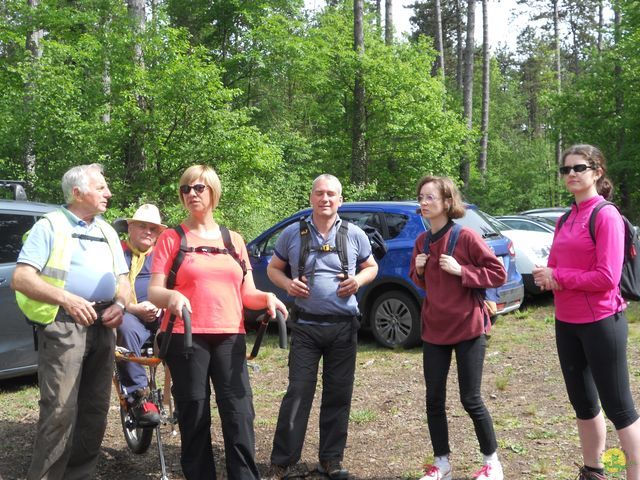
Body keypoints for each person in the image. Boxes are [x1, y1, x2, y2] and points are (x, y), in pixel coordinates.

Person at [148, 164, 288, 480]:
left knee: (239, 415)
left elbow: (247, 293)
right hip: (187, 337)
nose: (191, 194)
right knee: (195, 417)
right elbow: (154, 290)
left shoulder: (233, 240)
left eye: (199, 188)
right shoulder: (172, 238)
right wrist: (171, 298)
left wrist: (267, 299)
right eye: (185, 189)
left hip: (230, 336)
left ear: (213, 192)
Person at [11, 164, 130, 480]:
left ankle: (81, 475)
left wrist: (121, 303)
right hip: (65, 324)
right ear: (77, 192)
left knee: (94, 409)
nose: (109, 193)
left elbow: (124, 280)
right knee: (60, 411)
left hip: (104, 324)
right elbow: (21, 278)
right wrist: (66, 298)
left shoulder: (106, 230)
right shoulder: (50, 226)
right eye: (101, 187)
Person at [532, 144, 640, 480]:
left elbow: (607, 277)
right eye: (566, 170)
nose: (572, 175)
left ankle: (631, 474)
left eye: (579, 168)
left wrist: (558, 278)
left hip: (602, 322)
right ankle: (595, 471)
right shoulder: (566, 217)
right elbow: (555, 263)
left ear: (597, 172)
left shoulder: (605, 215)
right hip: (567, 323)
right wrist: (546, 275)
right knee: (584, 405)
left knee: (619, 409)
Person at [266, 174, 379, 480]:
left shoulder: (355, 235)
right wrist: (288, 284)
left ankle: (331, 460)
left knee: (338, 394)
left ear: (340, 200)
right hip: (304, 326)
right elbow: (273, 269)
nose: (325, 199)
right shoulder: (293, 234)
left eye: (331, 194)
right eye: (319, 193)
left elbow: (372, 267)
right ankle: (283, 461)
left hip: (343, 327)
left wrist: (359, 280)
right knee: (298, 392)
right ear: (311, 198)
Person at [409, 176, 506, 480]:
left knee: (470, 398)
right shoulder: (422, 242)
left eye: (430, 198)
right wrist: (420, 269)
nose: (424, 203)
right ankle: (442, 464)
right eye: (421, 198)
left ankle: (492, 463)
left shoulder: (465, 237)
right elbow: (419, 280)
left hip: (468, 327)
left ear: (448, 203)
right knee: (433, 399)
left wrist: (462, 270)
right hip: (435, 329)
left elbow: (498, 273)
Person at [115, 203, 167, 426]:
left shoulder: (162, 256)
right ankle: (138, 395)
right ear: (130, 227)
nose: (148, 231)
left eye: (153, 229)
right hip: (129, 314)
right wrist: (133, 307)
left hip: (160, 315)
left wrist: (163, 305)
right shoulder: (116, 252)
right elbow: (110, 289)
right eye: (142, 226)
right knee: (123, 325)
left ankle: (182, 387)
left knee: (181, 327)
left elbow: (175, 285)